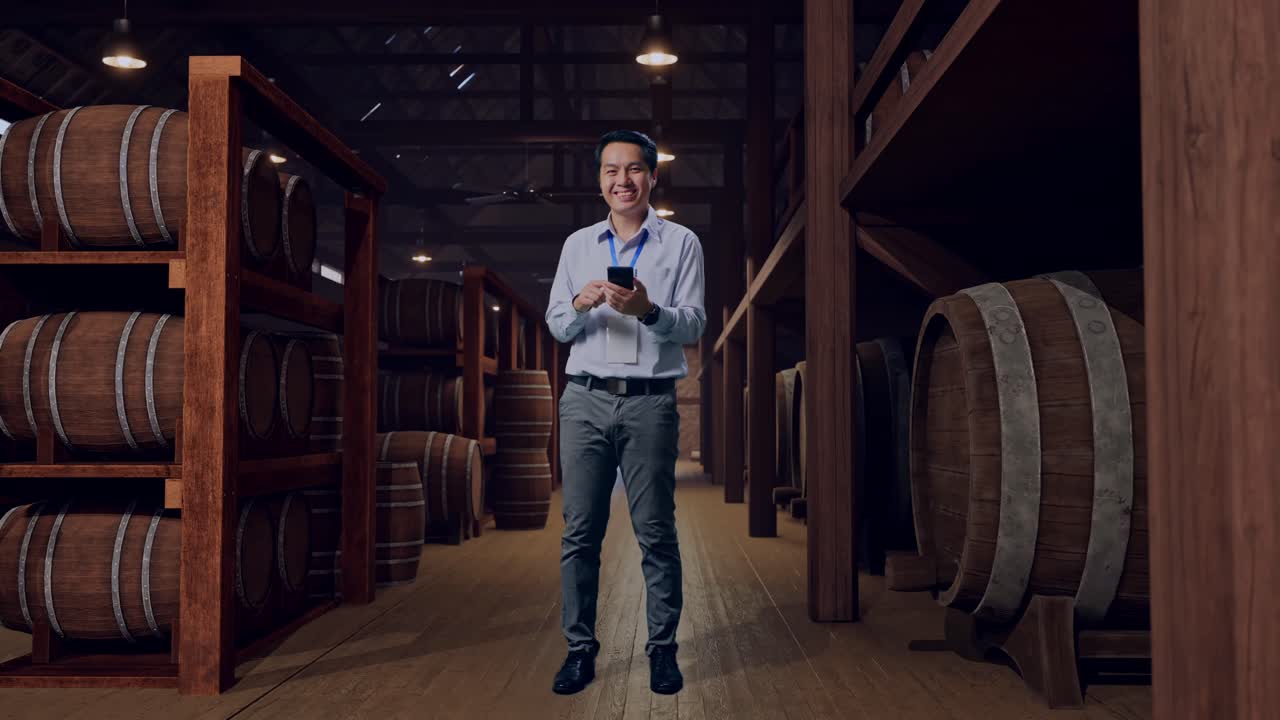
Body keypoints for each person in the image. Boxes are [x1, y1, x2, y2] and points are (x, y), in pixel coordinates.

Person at [545, 130, 706, 695]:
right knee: (580, 534)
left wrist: (649, 309)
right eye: (611, 171)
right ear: (599, 181)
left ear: (652, 177)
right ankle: (579, 651)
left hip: (650, 403)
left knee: (655, 532)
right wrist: (580, 306)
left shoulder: (681, 243)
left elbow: (693, 324)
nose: (623, 180)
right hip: (584, 398)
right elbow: (557, 326)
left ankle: (662, 650)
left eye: (634, 169)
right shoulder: (576, 246)